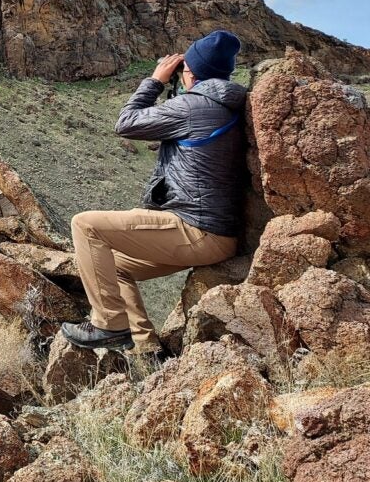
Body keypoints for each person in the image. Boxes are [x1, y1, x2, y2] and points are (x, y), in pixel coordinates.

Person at [60, 29, 247, 352]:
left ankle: (108, 325)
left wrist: (156, 81)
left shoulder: (193, 107)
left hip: (197, 231)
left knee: (85, 225)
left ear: (190, 72)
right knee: (113, 265)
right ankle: (148, 350)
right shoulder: (226, 103)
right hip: (217, 234)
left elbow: (126, 123)